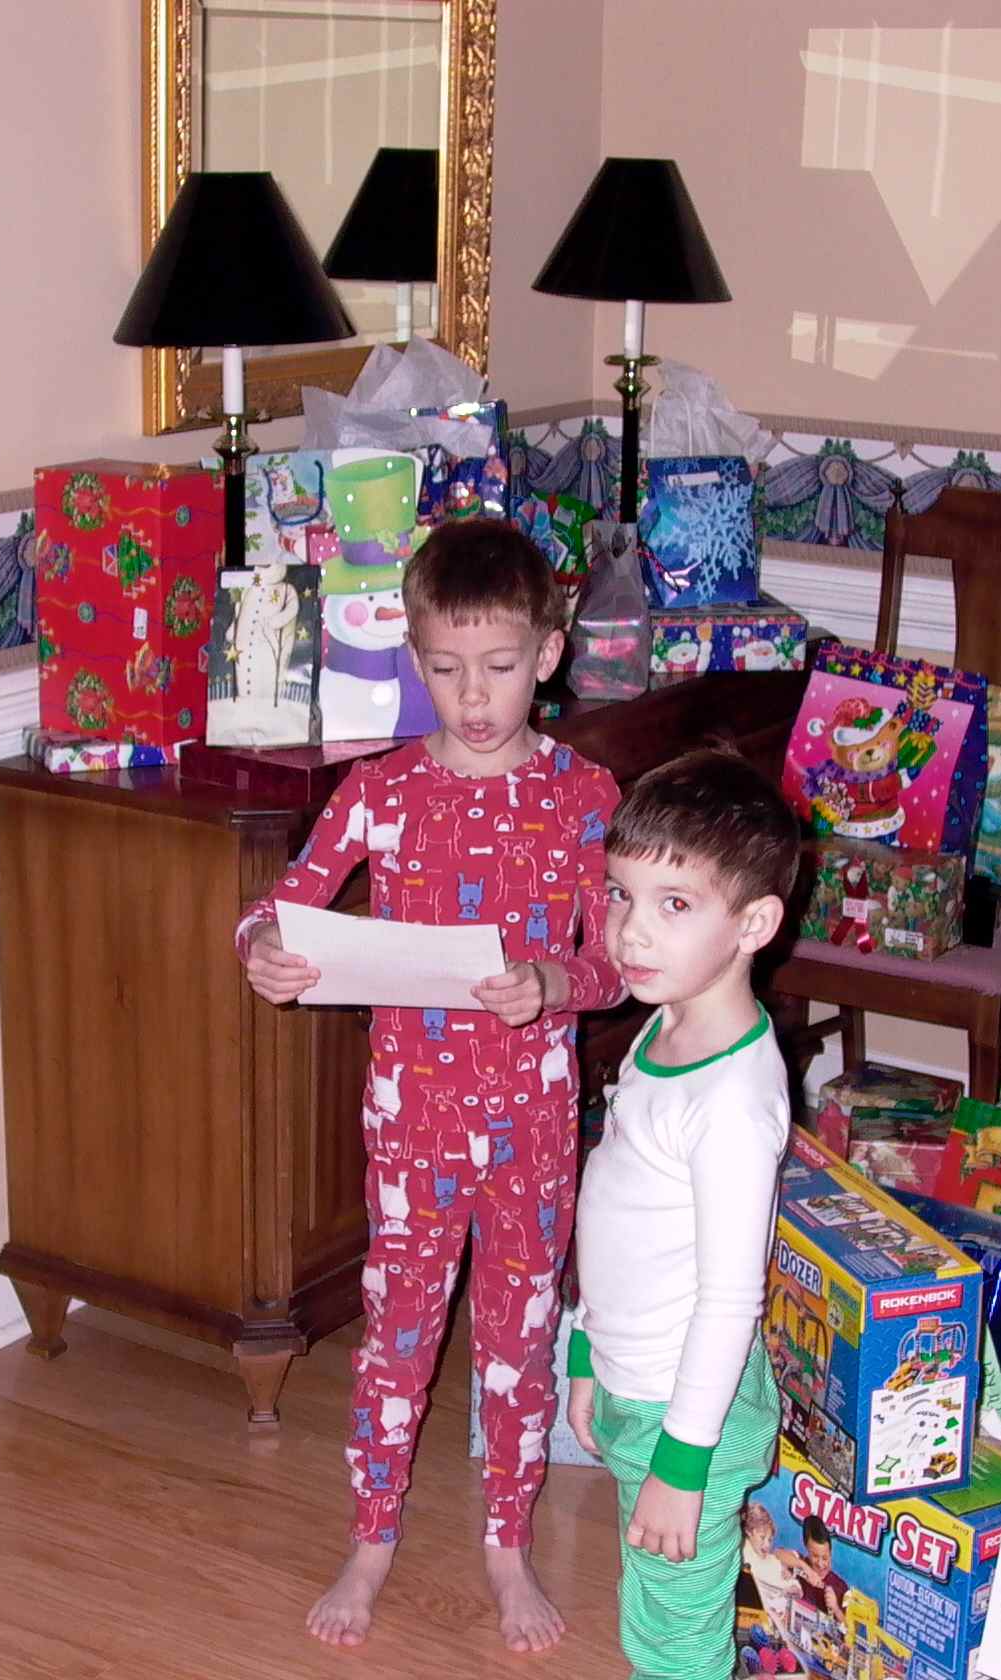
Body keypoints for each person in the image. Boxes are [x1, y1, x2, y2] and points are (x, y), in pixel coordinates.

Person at [235, 518, 623, 1651]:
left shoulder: (585, 796)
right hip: (411, 1129)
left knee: (519, 1337)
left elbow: (616, 964)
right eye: (446, 669)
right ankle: (370, 1538)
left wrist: (554, 981)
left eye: (499, 666)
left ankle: (507, 1543)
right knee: (396, 1332)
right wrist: (265, 949)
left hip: (534, 1128)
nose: (474, 696)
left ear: (547, 653)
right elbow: (277, 907)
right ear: (414, 660)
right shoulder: (380, 790)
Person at [565, 748, 801, 1680]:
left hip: (687, 1409)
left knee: (677, 1637)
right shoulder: (666, 1024)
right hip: (642, 1382)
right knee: (657, 1597)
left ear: (754, 924)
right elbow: (617, 1210)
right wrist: (586, 1352)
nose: (630, 930)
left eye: (673, 904)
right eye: (620, 895)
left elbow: (730, 1300)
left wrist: (682, 1462)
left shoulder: (733, 1102)